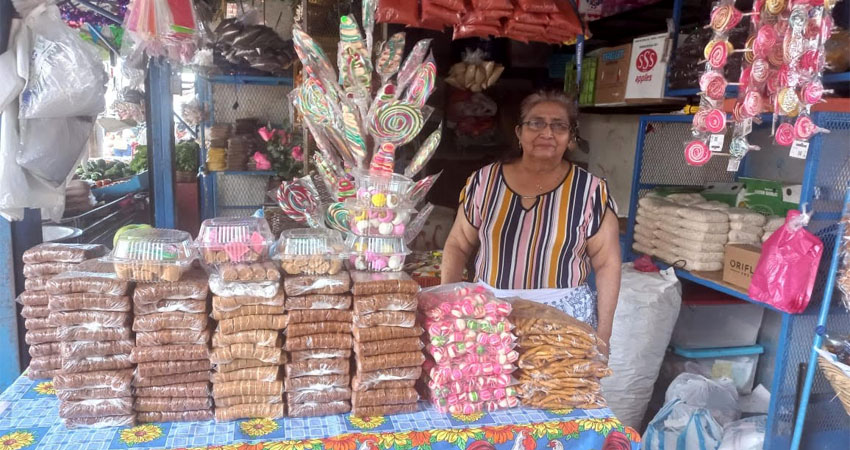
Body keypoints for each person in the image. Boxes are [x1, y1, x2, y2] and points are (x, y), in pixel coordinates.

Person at [441, 91, 621, 349]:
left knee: (557, 389)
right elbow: (458, 244)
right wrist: (449, 307)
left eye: (559, 126)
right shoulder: (485, 182)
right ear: (519, 132)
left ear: (571, 137)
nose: (547, 133)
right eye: (536, 123)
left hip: (563, 325)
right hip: (490, 318)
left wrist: (604, 334)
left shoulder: (590, 191)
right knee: (493, 388)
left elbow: (607, 264)